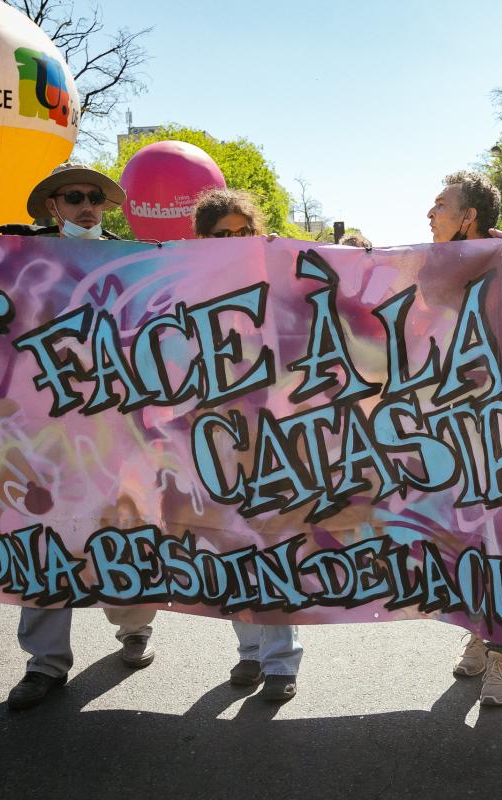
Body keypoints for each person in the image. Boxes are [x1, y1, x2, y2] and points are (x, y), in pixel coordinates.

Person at [0, 162, 158, 711]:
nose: (88, 206)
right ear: (53, 208)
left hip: (117, 427)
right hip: (40, 433)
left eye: (96, 198)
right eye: (74, 197)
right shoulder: (18, 262)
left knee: (124, 532)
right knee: (41, 540)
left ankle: (135, 629)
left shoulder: (133, 257)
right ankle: (45, 663)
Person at [192, 187, 303, 704]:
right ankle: (249, 652)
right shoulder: (186, 283)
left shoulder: (280, 278)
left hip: (275, 434)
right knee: (231, 543)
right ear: (203, 240)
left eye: (244, 232)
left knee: (274, 541)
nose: (235, 241)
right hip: (213, 436)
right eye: (223, 235)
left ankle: (281, 661)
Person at [425, 170, 502, 706]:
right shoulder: (425, 267)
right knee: (466, 539)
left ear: (469, 218)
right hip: (451, 428)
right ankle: (479, 632)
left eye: (440, 205)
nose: (429, 213)